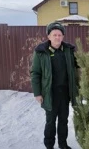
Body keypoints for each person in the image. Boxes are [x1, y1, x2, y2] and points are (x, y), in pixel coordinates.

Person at [30, 21, 78, 149]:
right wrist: (38, 93)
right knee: (50, 122)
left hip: (65, 93)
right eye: (54, 35)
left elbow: (79, 62)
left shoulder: (68, 50)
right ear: (49, 36)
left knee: (63, 121)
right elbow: (35, 73)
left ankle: (63, 144)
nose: (57, 37)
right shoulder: (41, 52)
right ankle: (49, 145)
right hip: (49, 94)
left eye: (59, 35)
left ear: (63, 37)